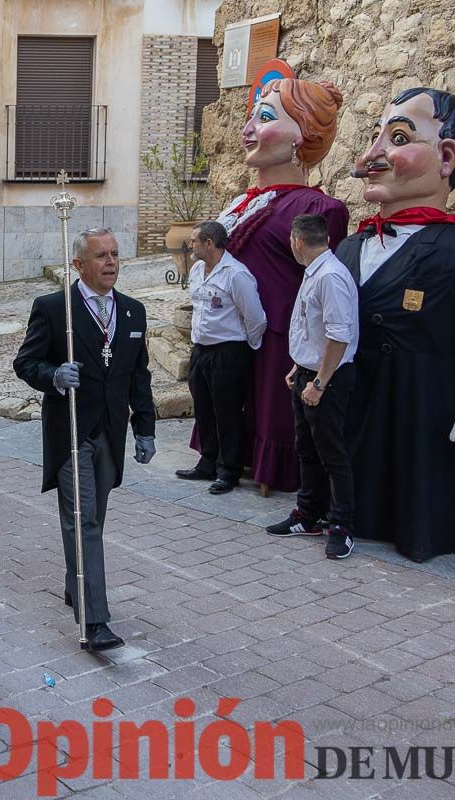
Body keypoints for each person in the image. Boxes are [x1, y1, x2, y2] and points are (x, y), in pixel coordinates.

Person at [338, 87, 455, 562]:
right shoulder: (349, 248)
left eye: (398, 138)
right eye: (375, 138)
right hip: (362, 397)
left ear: (446, 157)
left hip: (426, 401)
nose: (371, 155)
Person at [193, 78, 349, 494]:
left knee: (270, 406)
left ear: (303, 136)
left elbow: (319, 281)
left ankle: (271, 467)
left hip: (278, 332)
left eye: (263, 119)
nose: (247, 130)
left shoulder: (318, 208)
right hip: (229, 330)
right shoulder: (242, 202)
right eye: (250, 118)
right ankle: (222, 457)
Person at [13, 227, 156, 652]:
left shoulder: (133, 312)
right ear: (78, 264)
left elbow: (139, 375)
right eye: (101, 256)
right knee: (85, 522)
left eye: (114, 254)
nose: (111, 263)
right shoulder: (55, 309)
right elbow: (26, 362)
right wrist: (53, 376)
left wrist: (145, 427)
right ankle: (95, 621)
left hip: (110, 433)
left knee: (94, 519)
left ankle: (78, 584)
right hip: (71, 432)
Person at [266, 215, 359, 559]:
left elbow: (339, 336)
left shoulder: (331, 276)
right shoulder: (315, 271)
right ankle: (308, 515)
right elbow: (312, 328)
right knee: (307, 449)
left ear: (297, 241)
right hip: (309, 373)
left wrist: (319, 382)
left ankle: (341, 526)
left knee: (332, 454)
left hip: (327, 380)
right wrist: (299, 366)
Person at [176, 221, 267, 494]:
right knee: (203, 407)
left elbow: (255, 318)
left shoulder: (236, 274)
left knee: (227, 413)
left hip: (228, 351)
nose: (190, 245)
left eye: (194, 241)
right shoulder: (196, 270)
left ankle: (229, 471)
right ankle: (208, 462)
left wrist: (244, 347)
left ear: (209, 244)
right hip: (201, 349)